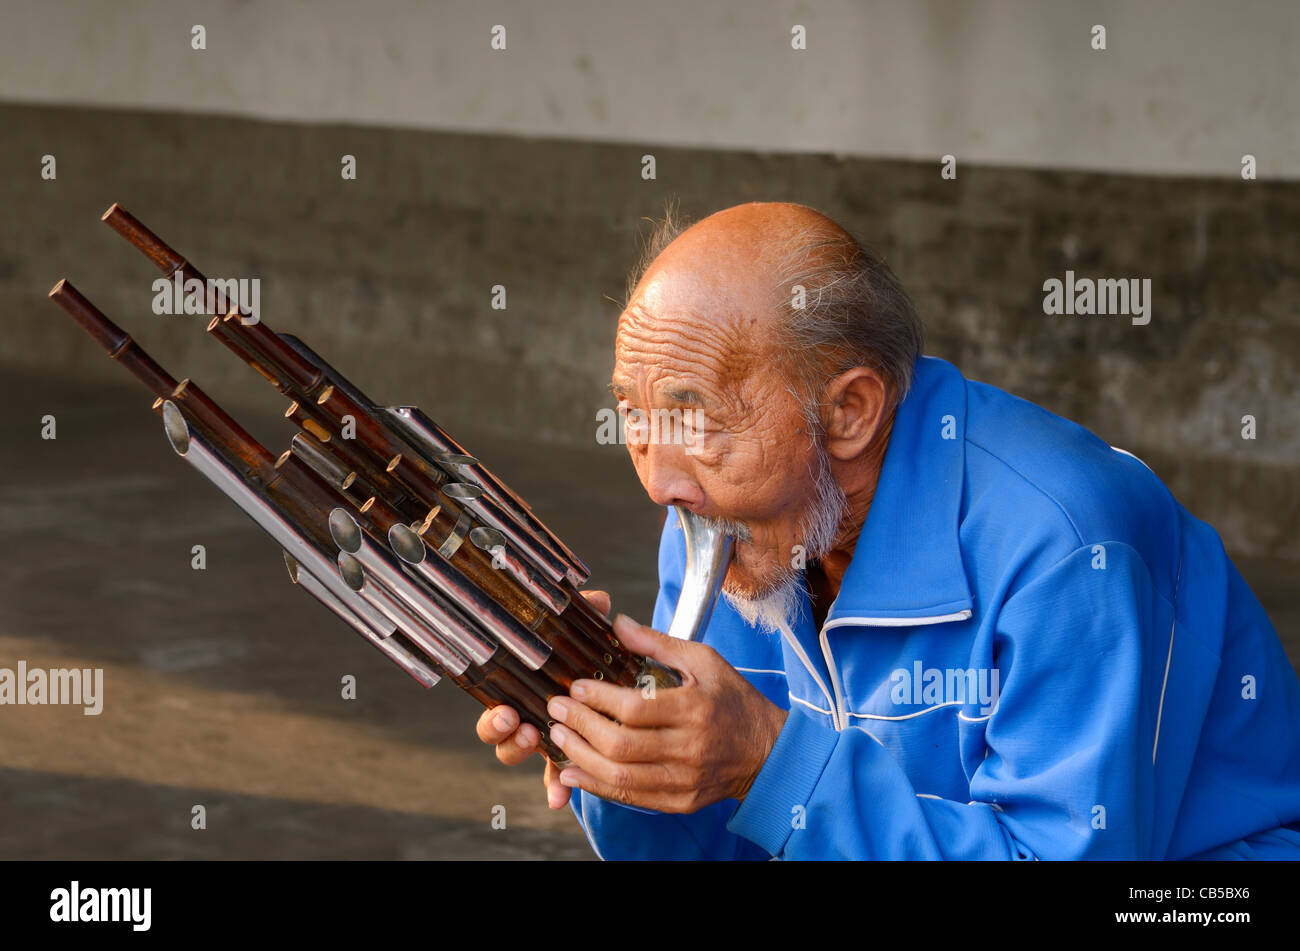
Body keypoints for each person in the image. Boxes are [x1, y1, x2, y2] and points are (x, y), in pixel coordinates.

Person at [477, 201, 1300, 859]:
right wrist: (615, 757)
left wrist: (771, 760)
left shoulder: (1066, 544)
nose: (660, 478)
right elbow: (727, 844)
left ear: (849, 411)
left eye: (697, 418)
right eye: (635, 416)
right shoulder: (715, 522)